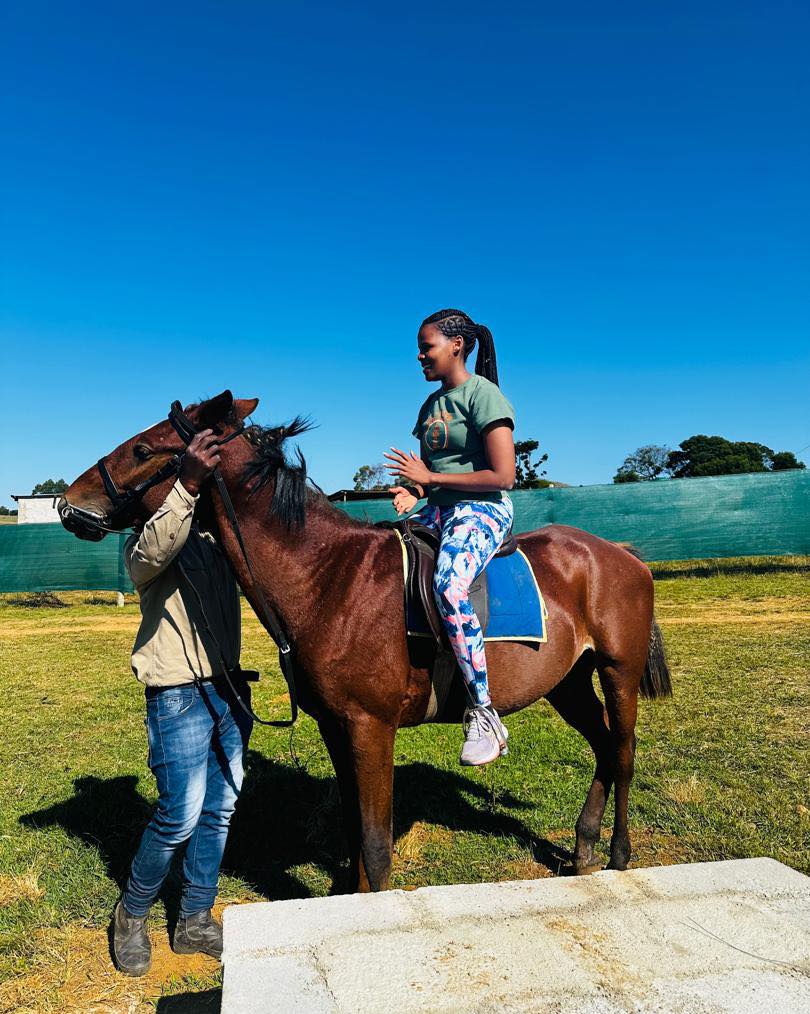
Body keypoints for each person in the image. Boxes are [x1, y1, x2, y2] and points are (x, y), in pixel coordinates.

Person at [112, 430, 252, 977]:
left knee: (219, 811)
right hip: (177, 692)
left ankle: (194, 917)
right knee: (179, 815)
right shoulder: (146, 541)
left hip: (230, 688)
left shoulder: (219, 538)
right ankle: (132, 913)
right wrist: (188, 483)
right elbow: (153, 554)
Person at [385, 308, 516, 767]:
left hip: (483, 510)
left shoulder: (485, 395)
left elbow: (504, 475)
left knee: (448, 584)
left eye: (427, 347)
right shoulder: (430, 407)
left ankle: (483, 711)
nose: (420, 356)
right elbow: (431, 477)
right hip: (439, 509)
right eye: (420, 348)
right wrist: (412, 489)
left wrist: (428, 478)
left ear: (456, 345)